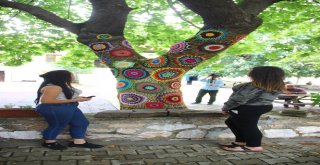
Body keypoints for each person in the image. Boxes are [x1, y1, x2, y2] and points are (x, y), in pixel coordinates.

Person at [220, 66, 285, 152]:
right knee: (232, 121)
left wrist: (226, 108)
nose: (249, 74)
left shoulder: (253, 87)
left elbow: (239, 99)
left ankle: (254, 145)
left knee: (248, 126)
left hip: (250, 107)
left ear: (260, 76)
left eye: (252, 73)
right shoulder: (271, 86)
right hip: (261, 106)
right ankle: (241, 141)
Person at [34, 70, 103, 150]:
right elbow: (46, 101)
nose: (73, 76)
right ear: (62, 77)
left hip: (69, 107)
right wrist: (74, 100)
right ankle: (49, 142)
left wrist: (78, 98)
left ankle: (78, 142)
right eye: (71, 74)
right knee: (57, 125)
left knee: (81, 122)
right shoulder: (54, 87)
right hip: (55, 108)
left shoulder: (62, 85)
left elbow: (63, 97)